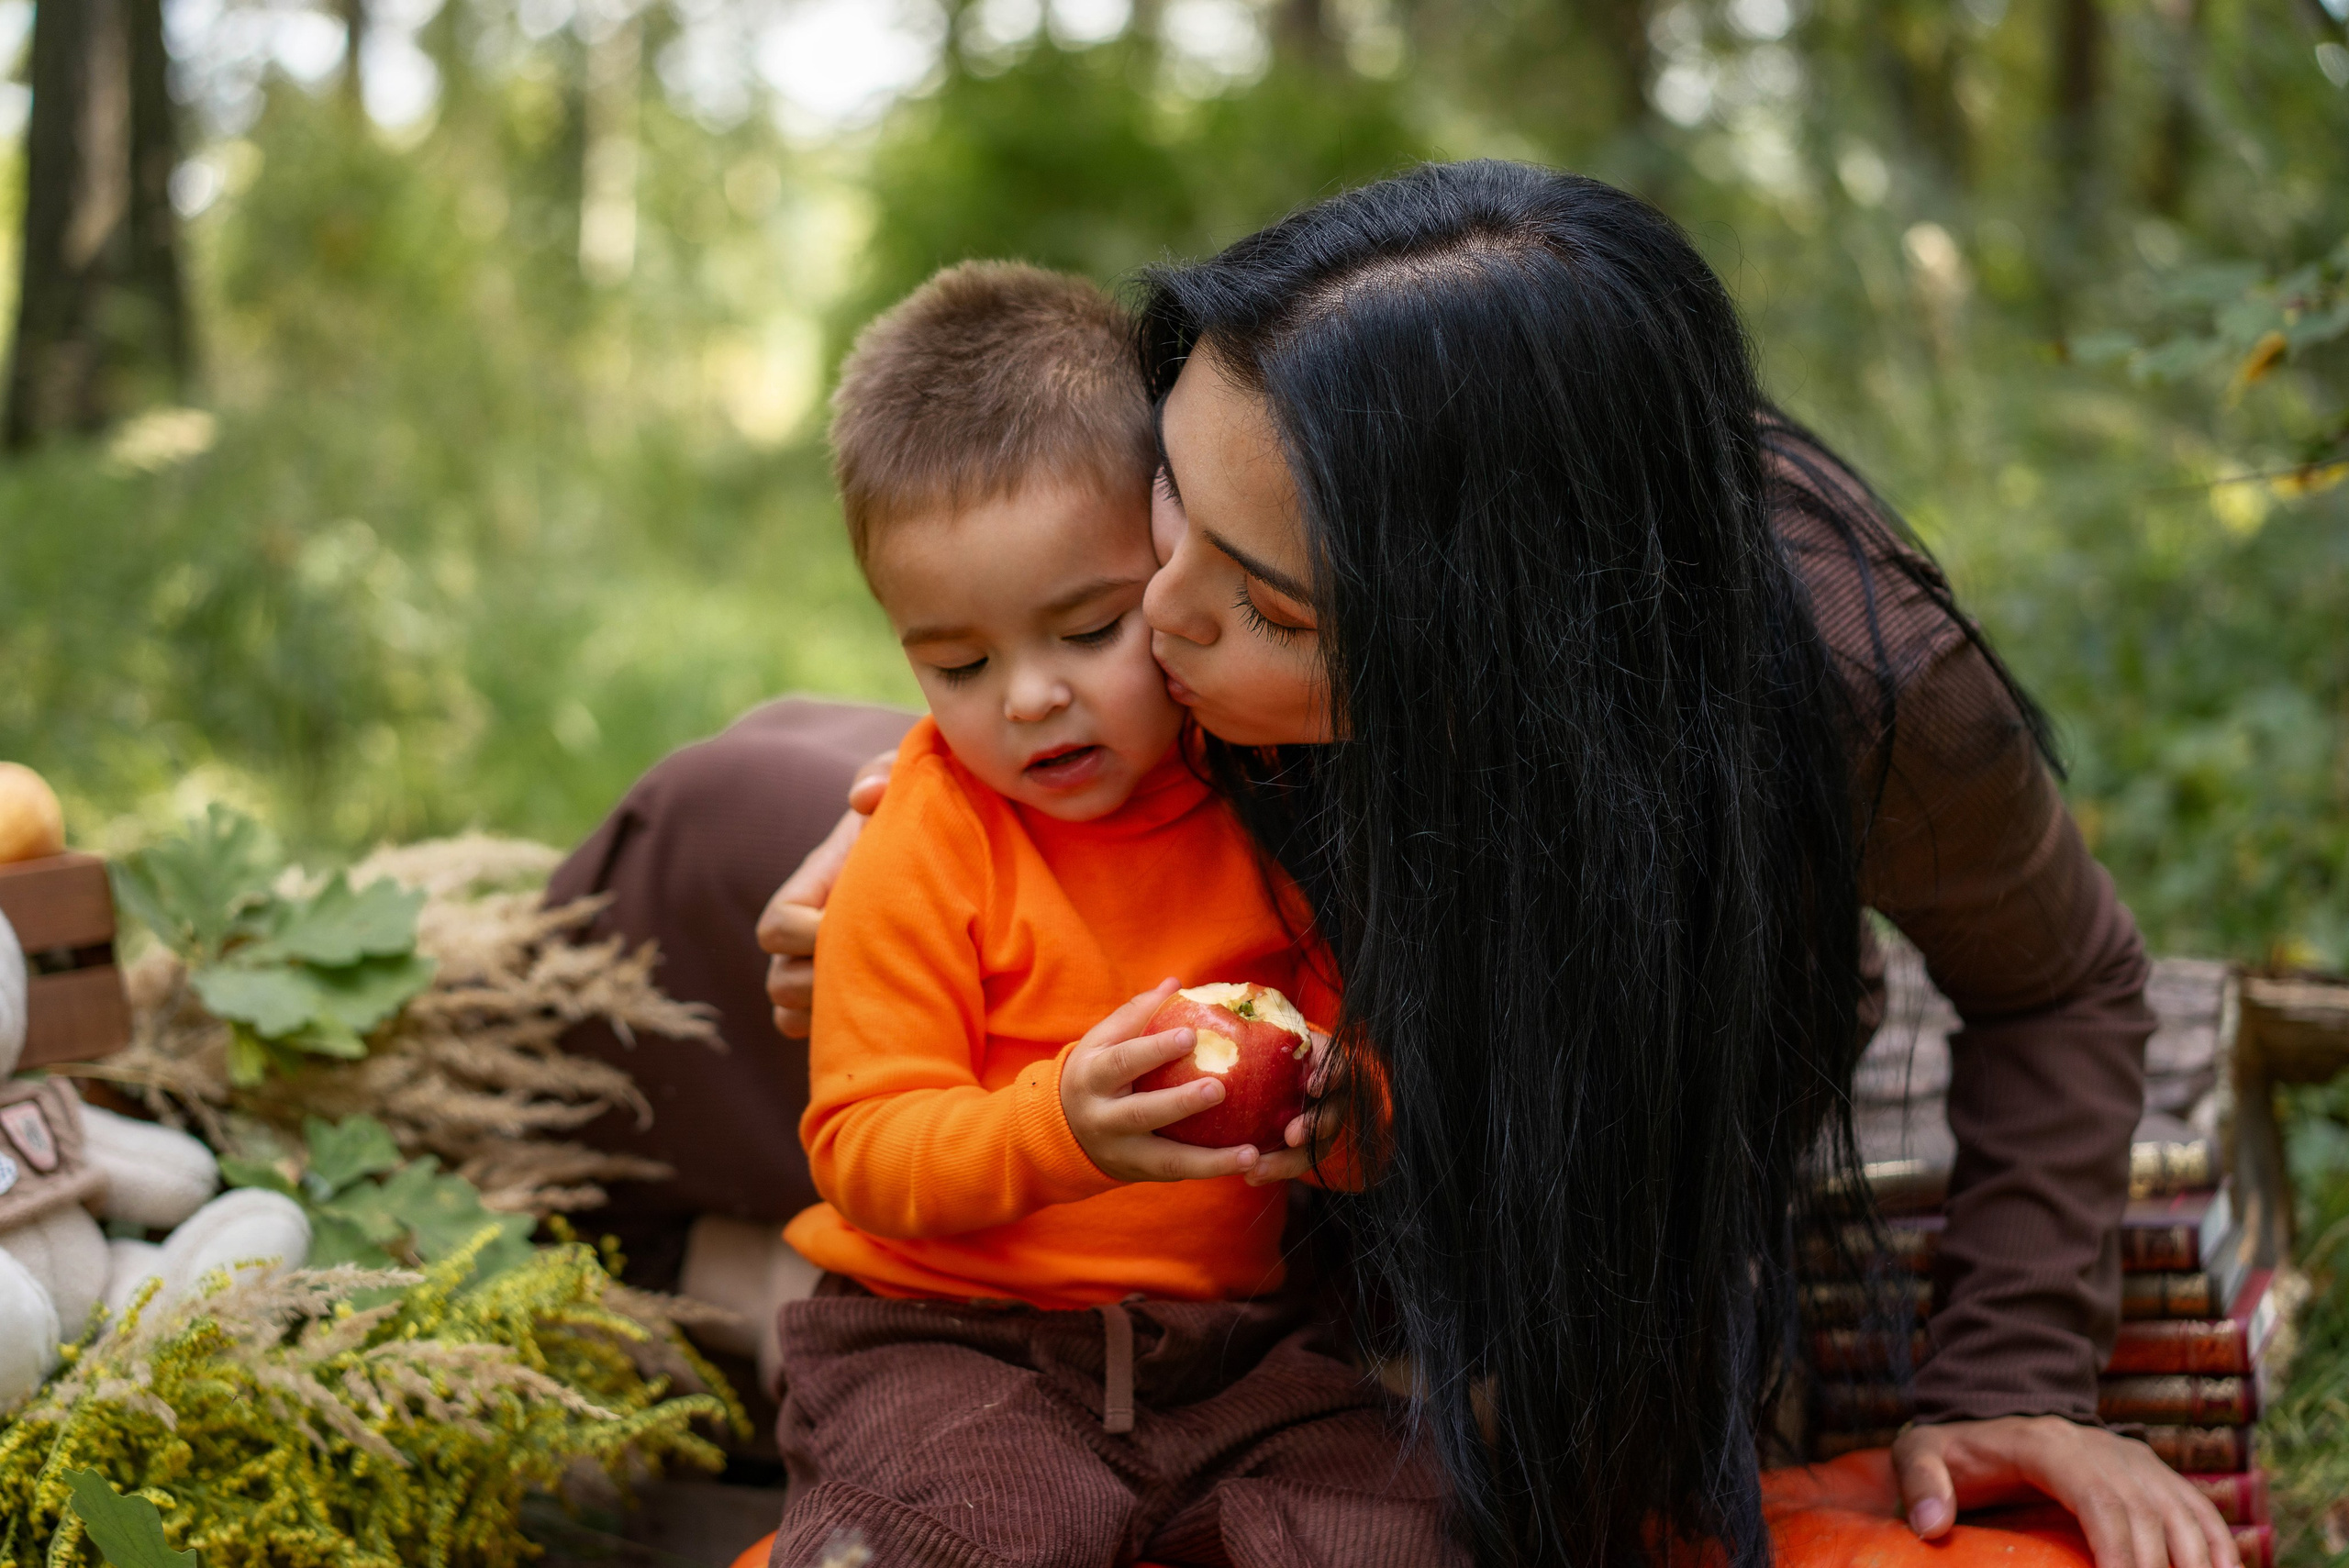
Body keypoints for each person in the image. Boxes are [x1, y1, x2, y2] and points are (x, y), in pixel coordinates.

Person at [557, 165, 2229, 1567]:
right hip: (902, 1029)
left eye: (1263, 603)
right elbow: (1022, 690)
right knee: (738, 827)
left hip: (1279, 1172)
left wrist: (2013, 1369)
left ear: (1478, 646)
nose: (1150, 622)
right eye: (1166, 519)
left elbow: (2065, 979)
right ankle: (690, 1276)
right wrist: (916, 830)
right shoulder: (1240, 506)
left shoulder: (1859, 686)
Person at [756, 260, 1460, 1566]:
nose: (1026, 700)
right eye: (956, 662)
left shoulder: (1262, 800)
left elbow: (1346, 1048)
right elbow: (863, 1142)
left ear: (1174, 564)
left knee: (1392, 1524)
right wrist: (1062, 1125)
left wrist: (1344, 1109)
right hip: (954, 1341)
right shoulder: (931, 834)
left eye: (1088, 630)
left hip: (1236, 1347)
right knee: (970, 1531)